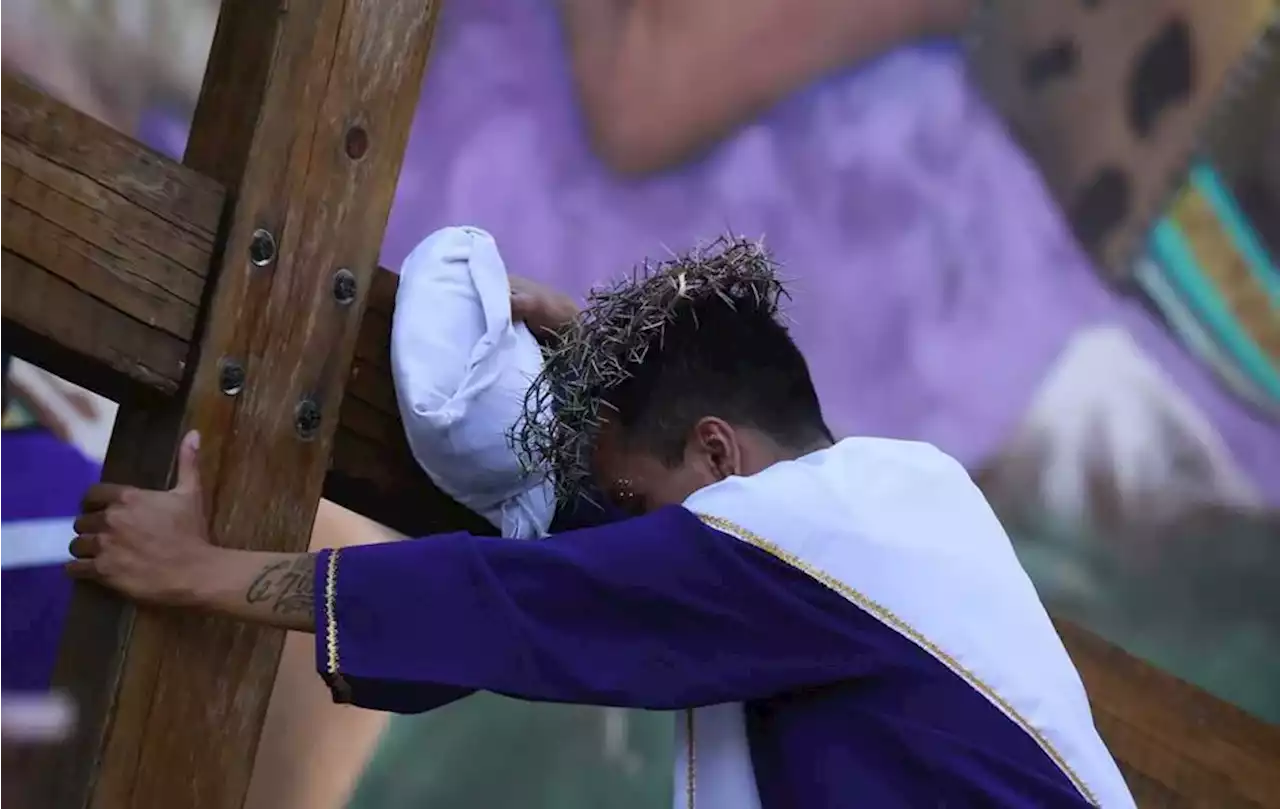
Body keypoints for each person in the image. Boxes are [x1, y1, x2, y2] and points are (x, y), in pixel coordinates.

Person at [65, 238, 1136, 808]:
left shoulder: (803, 537)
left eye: (625, 500)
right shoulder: (886, 506)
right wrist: (611, 349)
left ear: (718, 451)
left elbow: (524, 604)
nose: (612, 529)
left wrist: (199, 571)